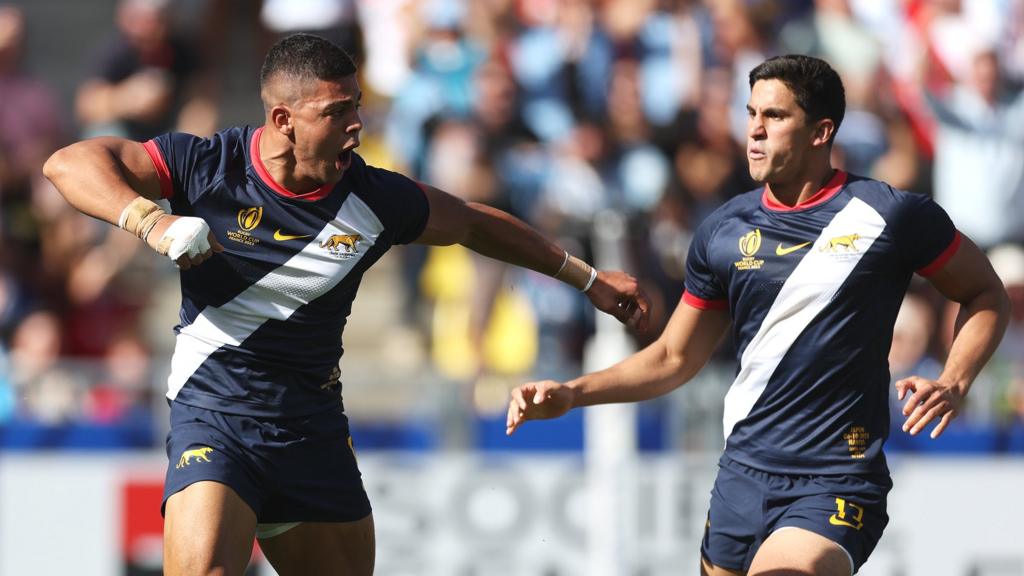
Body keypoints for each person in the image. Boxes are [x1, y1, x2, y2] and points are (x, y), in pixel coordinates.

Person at [43, 33, 649, 576]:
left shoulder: (373, 198)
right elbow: (68, 163)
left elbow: (470, 224)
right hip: (216, 416)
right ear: (283, 119)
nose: (356, 124)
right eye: (337, 112)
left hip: (312, 431)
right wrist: (150, 221)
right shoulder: (209, 166)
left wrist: (587, 278)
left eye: (357, 105)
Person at [506, 54, 1010, 576]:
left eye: (774, 117)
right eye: (750, 114)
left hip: (836, 478)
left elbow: (985, 293)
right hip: (741, 477)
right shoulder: (724, 231)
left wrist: (954, 379)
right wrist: (572, 393)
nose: (754, 131)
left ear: (821, 132)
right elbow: (673, 357)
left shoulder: (890, 214)